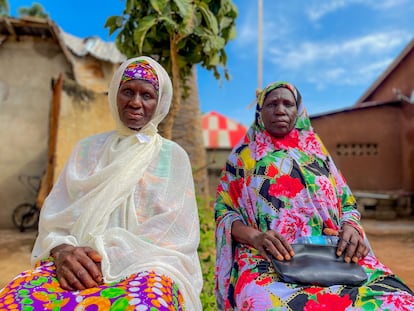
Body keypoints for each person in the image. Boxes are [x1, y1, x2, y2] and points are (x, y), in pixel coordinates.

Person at [0, 56, 203, 310]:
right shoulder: (87, 149)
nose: (136, 102)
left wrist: (106, 255)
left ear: (159, 101)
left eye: (147, 95)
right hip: (75, 264)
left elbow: (174, 235)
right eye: (127, 91)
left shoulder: (172, 157)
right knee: (15, 300)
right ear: (114, 94)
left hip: (146, 267)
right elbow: (56, 218)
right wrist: (62, 252)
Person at [214, 81, 414, 310]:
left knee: (400, 302)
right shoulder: (243, 159)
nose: (280, 110)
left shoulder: (319, 156)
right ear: (260, 110)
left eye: (288, 104)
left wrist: (350, 228)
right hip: (267, 259)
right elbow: (225, 212)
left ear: (298, 110)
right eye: (272, 104)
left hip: (333, 256)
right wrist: (256, 237)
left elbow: (347, 205)